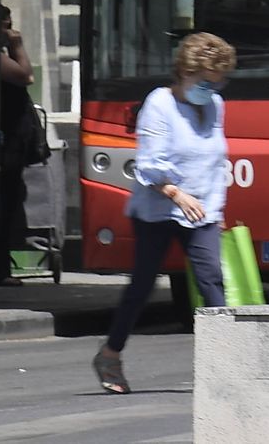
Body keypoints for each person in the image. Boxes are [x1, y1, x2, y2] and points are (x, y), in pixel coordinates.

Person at [94, 32, 236, 395]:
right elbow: (148, 164)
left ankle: (228, 368)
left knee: (211, 280)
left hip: (201, 210)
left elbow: (214, 160)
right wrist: (176, 193)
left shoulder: (215, 105)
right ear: (185, 73)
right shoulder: (159, 104)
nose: (212, 89)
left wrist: (216, 208)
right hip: (157, 209)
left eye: (217, 82)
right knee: (142, 285)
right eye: (206, 81)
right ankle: (110, 354)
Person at [0, 6, 44, 286]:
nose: (9, 31)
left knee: (10, 201)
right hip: (4, 141)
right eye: (4, 26)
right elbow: (26, 75)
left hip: (12, 140)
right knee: (2, 202)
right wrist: (18, 45)